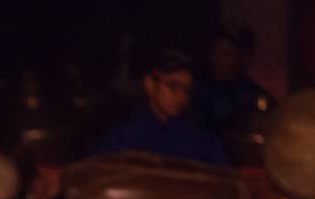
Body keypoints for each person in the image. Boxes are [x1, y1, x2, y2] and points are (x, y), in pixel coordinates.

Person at [92, 47, 229, 166]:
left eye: (187, 90)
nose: (181, 97)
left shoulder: (201, 138)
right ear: (150, 85)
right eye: (173, 86)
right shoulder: (124, 136)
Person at [197, 24, 272, 134]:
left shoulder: (255, 98)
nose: (217, 60)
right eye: (215, 52)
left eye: (226, 54)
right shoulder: (196, 91)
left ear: (243, 59)